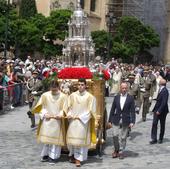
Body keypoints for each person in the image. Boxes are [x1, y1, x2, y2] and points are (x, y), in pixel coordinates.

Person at [31, 79, 67, 164]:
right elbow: (41, 107)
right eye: (52, 89)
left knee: (55, 141)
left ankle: (53, 157)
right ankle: (45, 154)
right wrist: (44, 114)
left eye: (55, 89)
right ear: (50, 87)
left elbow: (65, 108)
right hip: (47, 119)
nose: (54, 91)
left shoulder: (63, 96)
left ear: (58, 87)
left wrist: (61, 114)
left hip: (57, 120)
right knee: (46, 139)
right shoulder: (45, 95)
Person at [66, 78, 96, 167]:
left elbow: (91, 111)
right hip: (73, 121)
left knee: (80, 141)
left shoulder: (90, 97)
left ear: (85, 85)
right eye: (79, 84)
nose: (80, 86)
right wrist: (70, 114)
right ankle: (72, 155)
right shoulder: (72, 95)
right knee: (72, 139)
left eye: (82, 85)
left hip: (83, 122)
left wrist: (81, 117)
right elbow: (68, 107)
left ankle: (78, 159)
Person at [108, 82, 136, 159]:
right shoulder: (116, 97)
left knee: (123, 137)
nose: (124, 90)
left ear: (127, 89)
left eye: (125, 88)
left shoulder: (130, 98)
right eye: (122, 88)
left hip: (125, 120)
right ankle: (116, 149)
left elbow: (132, 111)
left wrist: (132, 121)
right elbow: (112, 109)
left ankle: (120, 151)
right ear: (120, 88)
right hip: (116, 119)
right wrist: (109, 120)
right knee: (115, 135)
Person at [150, 78, 169, 144]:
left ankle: (160, 138)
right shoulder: (159, 89)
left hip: (162, 111)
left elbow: (164, 102)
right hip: (156, 109)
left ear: (161, 83)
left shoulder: (165, 91)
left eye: (159, 82)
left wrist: (159, 111)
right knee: (154, 124)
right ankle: (154, 138)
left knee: (162, 124)